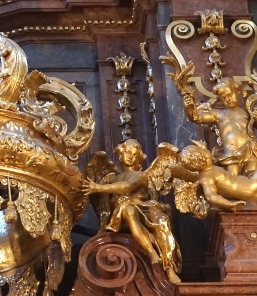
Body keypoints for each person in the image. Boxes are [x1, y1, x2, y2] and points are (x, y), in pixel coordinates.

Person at [84, 139, 182, 284]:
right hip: (123, 211)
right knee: (128, 210)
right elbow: (104, 204)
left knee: (162, 220)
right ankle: (151, 252)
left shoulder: (141, 175)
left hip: (144, 207)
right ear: (120, 153)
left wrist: (98, 187)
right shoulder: (110, 178)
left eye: (134, 154)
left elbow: (127, 186)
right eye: (127, 152)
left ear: (139, 157)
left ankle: (169, 268)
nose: (130, 156)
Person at [182, 77, 257, 177]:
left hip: (250, 150)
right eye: (224, 98)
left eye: (230, 95)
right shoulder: (219, 114)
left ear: (237, 91)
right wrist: (188, 108)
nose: (228, 99)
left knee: (253, 175)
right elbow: (196, 118)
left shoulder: (246, 112)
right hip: (232, 153)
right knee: (231, 178)